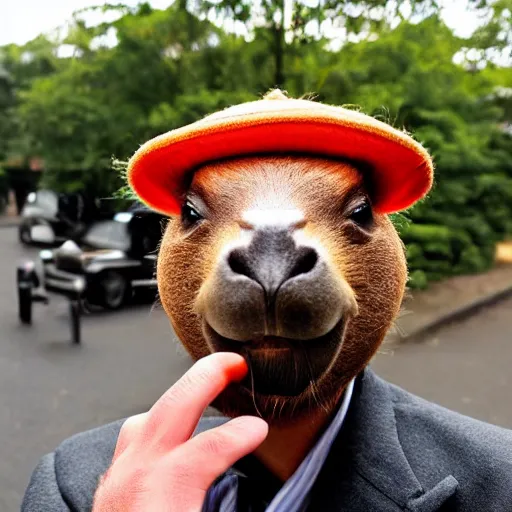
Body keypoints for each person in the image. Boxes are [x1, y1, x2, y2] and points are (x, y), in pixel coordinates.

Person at [22, 91, 512, 511]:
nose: (270, 256)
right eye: (194, 214)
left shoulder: (499, 482)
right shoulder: (72, 486)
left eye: (358, 212)